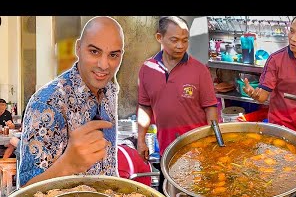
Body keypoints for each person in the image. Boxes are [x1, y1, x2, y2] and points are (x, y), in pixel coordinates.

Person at [19, 16, 124, 187]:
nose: (104, 65)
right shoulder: (47, 102)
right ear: (78, 48)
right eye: (94, 51)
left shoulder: (110, 89)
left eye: (113, 55)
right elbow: (25, 191)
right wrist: (67, 164)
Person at [136, 16, 218, 162]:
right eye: (174, 40)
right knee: (165, 185)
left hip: (196, 149)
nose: (181, 45)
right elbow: (144, 106)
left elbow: (210, 108)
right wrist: (141, 140)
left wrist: (214, 140)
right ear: (159, 37)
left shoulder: (199, 70)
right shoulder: (147, 69)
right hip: (166, 150)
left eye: (185, 40)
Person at [242, 16, 296, 132]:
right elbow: (263, 96)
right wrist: (254, 94)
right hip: (280, 126)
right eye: (291, 31)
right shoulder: (275, 60)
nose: (293, 38)